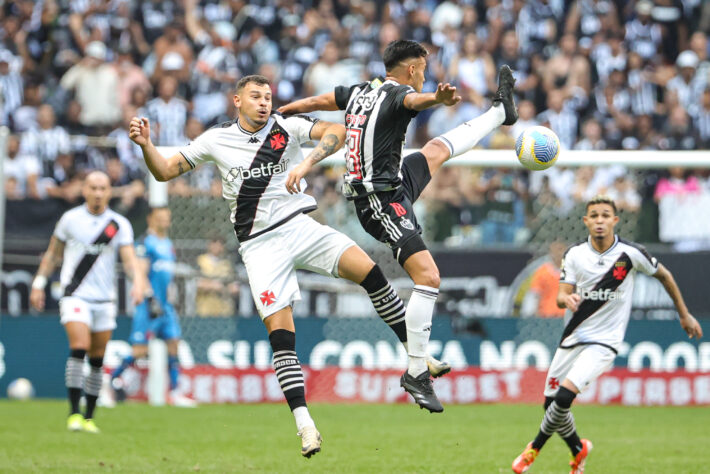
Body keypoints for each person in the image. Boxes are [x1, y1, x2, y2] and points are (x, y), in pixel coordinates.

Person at [128, 74, 447, 457]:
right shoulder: (216, 139)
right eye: (255, 96)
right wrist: (147, 145)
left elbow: (337, 131)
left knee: (371, 273)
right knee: (282, 338)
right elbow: (164, 171)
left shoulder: (286, 128)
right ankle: (305, 426)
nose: (264, 102)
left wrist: (307, 162)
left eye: (268, 96)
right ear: (237, 101)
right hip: (260, 247)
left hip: (301, 227)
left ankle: (416, 356)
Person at [278, 39, 518, 411]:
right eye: (423, 69)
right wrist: (436, 100)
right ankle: (416, 373)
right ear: (411, 70)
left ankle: (500, 113)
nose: (424, 75)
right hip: (379, 203)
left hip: (394, 183)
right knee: (430, 278)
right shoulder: (399, 94)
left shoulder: (361, 90)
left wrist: (288, 109)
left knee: (436, 149)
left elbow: (323, 101)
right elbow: (412, 102)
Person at [511, 195, 703, 474]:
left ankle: (533, 448)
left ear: (615, 220)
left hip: (605, 342)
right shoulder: (575, 254)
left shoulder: (631, 253)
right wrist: (567, 301)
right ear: (586, 221)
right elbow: (562, 294)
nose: (600, 220)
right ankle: (578, 449)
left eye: (605, 215)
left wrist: (684, 314)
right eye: (594, 216)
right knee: (551, 403)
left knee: (564, 398)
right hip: (573, 336)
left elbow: (666, 276)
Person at [29, 171, 146, 433]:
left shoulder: (118, 224)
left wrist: (137, 282)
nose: (97, 193)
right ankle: (73, 413)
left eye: (102, 188)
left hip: (105, 300)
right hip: (75, 295)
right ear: (84, 190)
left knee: (96, 359)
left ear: (108, 191)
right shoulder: (70, 220)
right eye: (93, 187)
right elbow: (52, 255)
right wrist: (38, 283)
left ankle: (89, 417)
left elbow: (129, 260)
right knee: (79, 347)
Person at [110, 207, 196, 407]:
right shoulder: (146, 243)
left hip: (166, 306)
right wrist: (150, 298)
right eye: (161, 218)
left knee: (174, 344)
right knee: (140, 350)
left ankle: (175, 393)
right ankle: (112, 380)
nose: (165, 222)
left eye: (167, 218)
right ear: (151, 219)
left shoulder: (167, 243)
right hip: (149, 305)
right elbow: (139, 272)